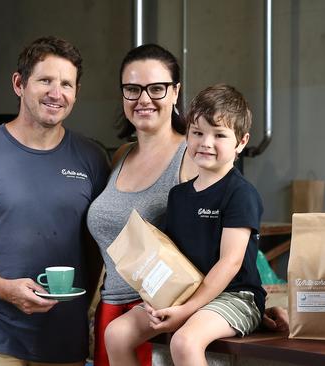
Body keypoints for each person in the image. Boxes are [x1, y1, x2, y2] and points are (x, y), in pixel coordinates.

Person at [0, 36, 109, 366]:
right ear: (18, 83)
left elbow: (96, 243)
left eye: (67, 84)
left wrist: (88, 309)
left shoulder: (92, 158)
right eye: (45, 81)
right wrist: (5, 289)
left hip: (63, 337)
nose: (57, 93)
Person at [104, 84, 266, 366]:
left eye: (219, 135)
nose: (206, 142)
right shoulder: (178, 195)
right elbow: (172, 258)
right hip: (185, 291)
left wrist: (188, 308)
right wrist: (159, 299)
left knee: (184, 341)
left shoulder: (240, 193)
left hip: (236, 297)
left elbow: (230, 262)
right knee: (117, 333)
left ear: (241, 142)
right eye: (198, 133)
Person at [86, 43, 195, 366]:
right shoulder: (121, 156)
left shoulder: (192, 156)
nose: (144, 99)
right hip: (110, 311)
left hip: (157, 316)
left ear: (175, 93)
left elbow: (227, 234)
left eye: (156, 88)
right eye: (133, 89)